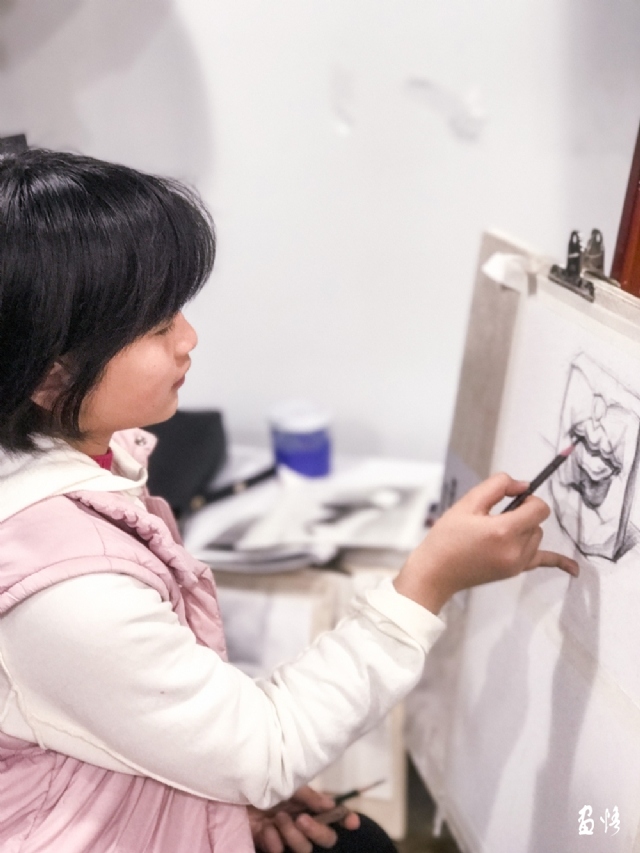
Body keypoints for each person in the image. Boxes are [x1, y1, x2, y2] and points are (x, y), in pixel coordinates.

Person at [0, 148, 579, 853]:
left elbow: (118, 710)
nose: (189, 338)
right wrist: (428, 581)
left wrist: (212, 796)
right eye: (156, 328)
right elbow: (267, 748)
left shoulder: (81, 458)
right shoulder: (67, 592)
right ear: (52, 378)